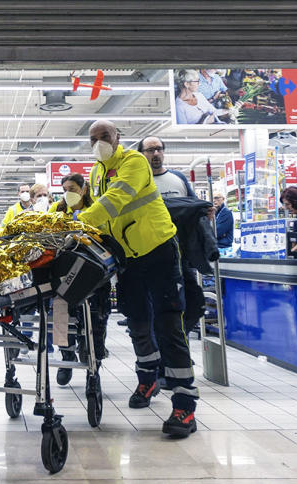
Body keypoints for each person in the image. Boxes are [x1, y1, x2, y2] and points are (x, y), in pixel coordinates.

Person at [79, 119, 200, 437]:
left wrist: (77, 221)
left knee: (168, 324)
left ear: (118, 137)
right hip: (127, 257)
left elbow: (115, 200)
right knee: (136, 321)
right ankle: (147, 380)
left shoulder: (133, 162)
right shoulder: (95, 172)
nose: (99, 143)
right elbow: (99, 211)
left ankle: (184, 404)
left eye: (104, 136)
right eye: (93, 139)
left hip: (158, 251)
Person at [137, 136, 212, 380]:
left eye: (158, 149)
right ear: (142, 154)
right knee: (161, 312)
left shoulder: (178, 179)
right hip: (153, 257)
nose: (155, 153)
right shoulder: (137, 181)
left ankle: (170, 348)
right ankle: (165, 359)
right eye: (150, 150)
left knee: (196, 304)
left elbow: (192, 207)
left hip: (182, 256)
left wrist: (203, 209)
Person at [50, 173, 109, 386]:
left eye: (73, 188)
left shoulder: (97, 211)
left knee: (96, 319)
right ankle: (66, 356)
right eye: (65, 189)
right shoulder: (56, 211)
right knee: (58, 310)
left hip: (95, 274)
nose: (68, 193)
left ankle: (94, 367)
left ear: (83, 189)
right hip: (66, 272)